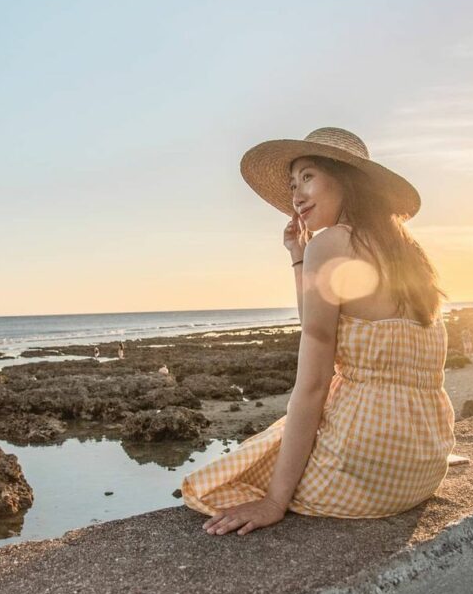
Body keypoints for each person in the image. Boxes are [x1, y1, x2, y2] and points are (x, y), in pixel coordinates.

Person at [181, 127, 456, 536]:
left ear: (345, 179)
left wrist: (275, 501)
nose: (295, 195)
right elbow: (320, 323)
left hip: (366, 470)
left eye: (307, 176)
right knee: (274, 441)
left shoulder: (330, 242)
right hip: (422, 462)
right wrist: (298, 258)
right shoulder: (410, 258)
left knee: (221, 481)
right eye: (292, 183)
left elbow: (312, 384)